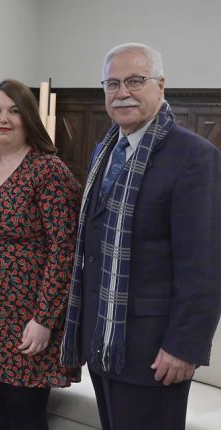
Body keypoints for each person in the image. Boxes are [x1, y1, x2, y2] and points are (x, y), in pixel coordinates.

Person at [60, 43, 221, 430]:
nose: (122, 92)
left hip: (155, 351)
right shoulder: (105, 149)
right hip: (105, 341)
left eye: (135, 80)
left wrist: (183, 347)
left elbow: (204, 263)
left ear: (160, 86)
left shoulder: (193, 156)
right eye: (112, 83)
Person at [0, 79, 81, 430]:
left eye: (13, 110)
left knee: (24, 411)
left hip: (26, 317)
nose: (3, 119)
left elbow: (65, 250)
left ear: (28, 118)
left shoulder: (48, 171)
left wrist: (44, 319)